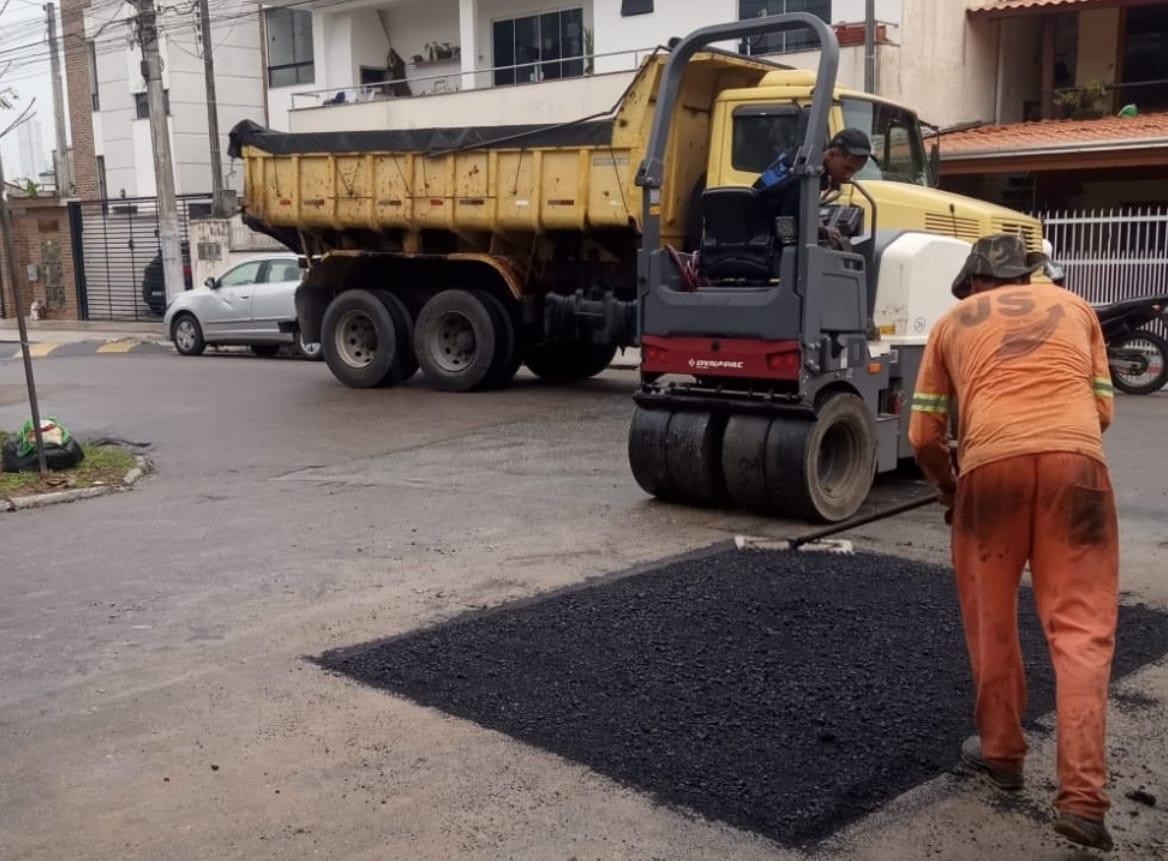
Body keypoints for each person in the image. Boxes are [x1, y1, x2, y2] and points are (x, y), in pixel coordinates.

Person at [908, 234, 1118, 852]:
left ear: (974, 282)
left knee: (991, 621)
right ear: (1031, 275)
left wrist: (951, 486)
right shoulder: (1078, 309)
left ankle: (1002, 757)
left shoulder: (952, 322)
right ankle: (1082, 802)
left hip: (988, 477)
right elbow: (1101, 412)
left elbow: (923, 433)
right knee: (1082, 633)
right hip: (1078, 473)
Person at [753, 128, 872, 221]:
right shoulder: (805, 173)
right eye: (847, 168)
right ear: (832, 154)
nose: (848, 176)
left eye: (855, 171)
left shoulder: (799, 155)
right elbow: (796, 222)